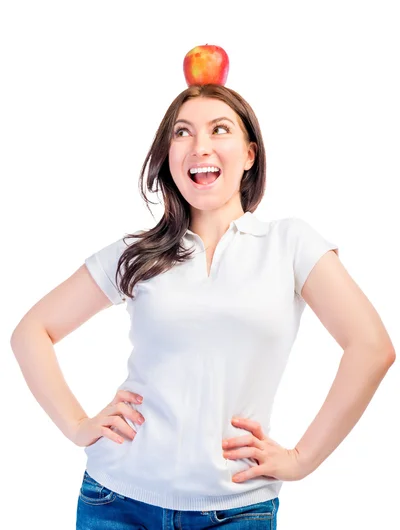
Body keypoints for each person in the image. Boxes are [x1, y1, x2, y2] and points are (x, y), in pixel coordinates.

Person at [10, 84, 396, 530]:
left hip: (238, 507)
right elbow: (32, 331)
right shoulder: (137, 253)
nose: (200, 146)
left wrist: (301, 458)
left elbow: (371, 347)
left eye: (219, 129)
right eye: (182, 133)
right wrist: (78, 425)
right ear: (168, 155)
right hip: (117, 500)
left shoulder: (290, 244)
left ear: (250, 154)